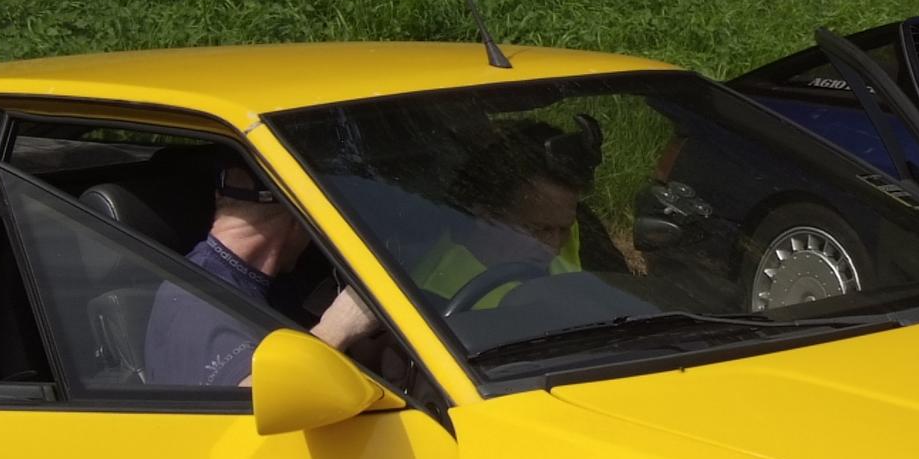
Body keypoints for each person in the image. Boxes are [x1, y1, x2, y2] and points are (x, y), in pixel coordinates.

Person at [142, 165, 377, 388]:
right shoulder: (199, 302)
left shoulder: (248, 280)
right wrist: (337, 329)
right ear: (298, 220)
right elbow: (248, 400)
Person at [410, 121, 595, 309]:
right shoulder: (436, 301)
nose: (554, 248)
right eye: (538, 230)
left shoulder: (554, 219)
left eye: (564, 230)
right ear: (486, 215)